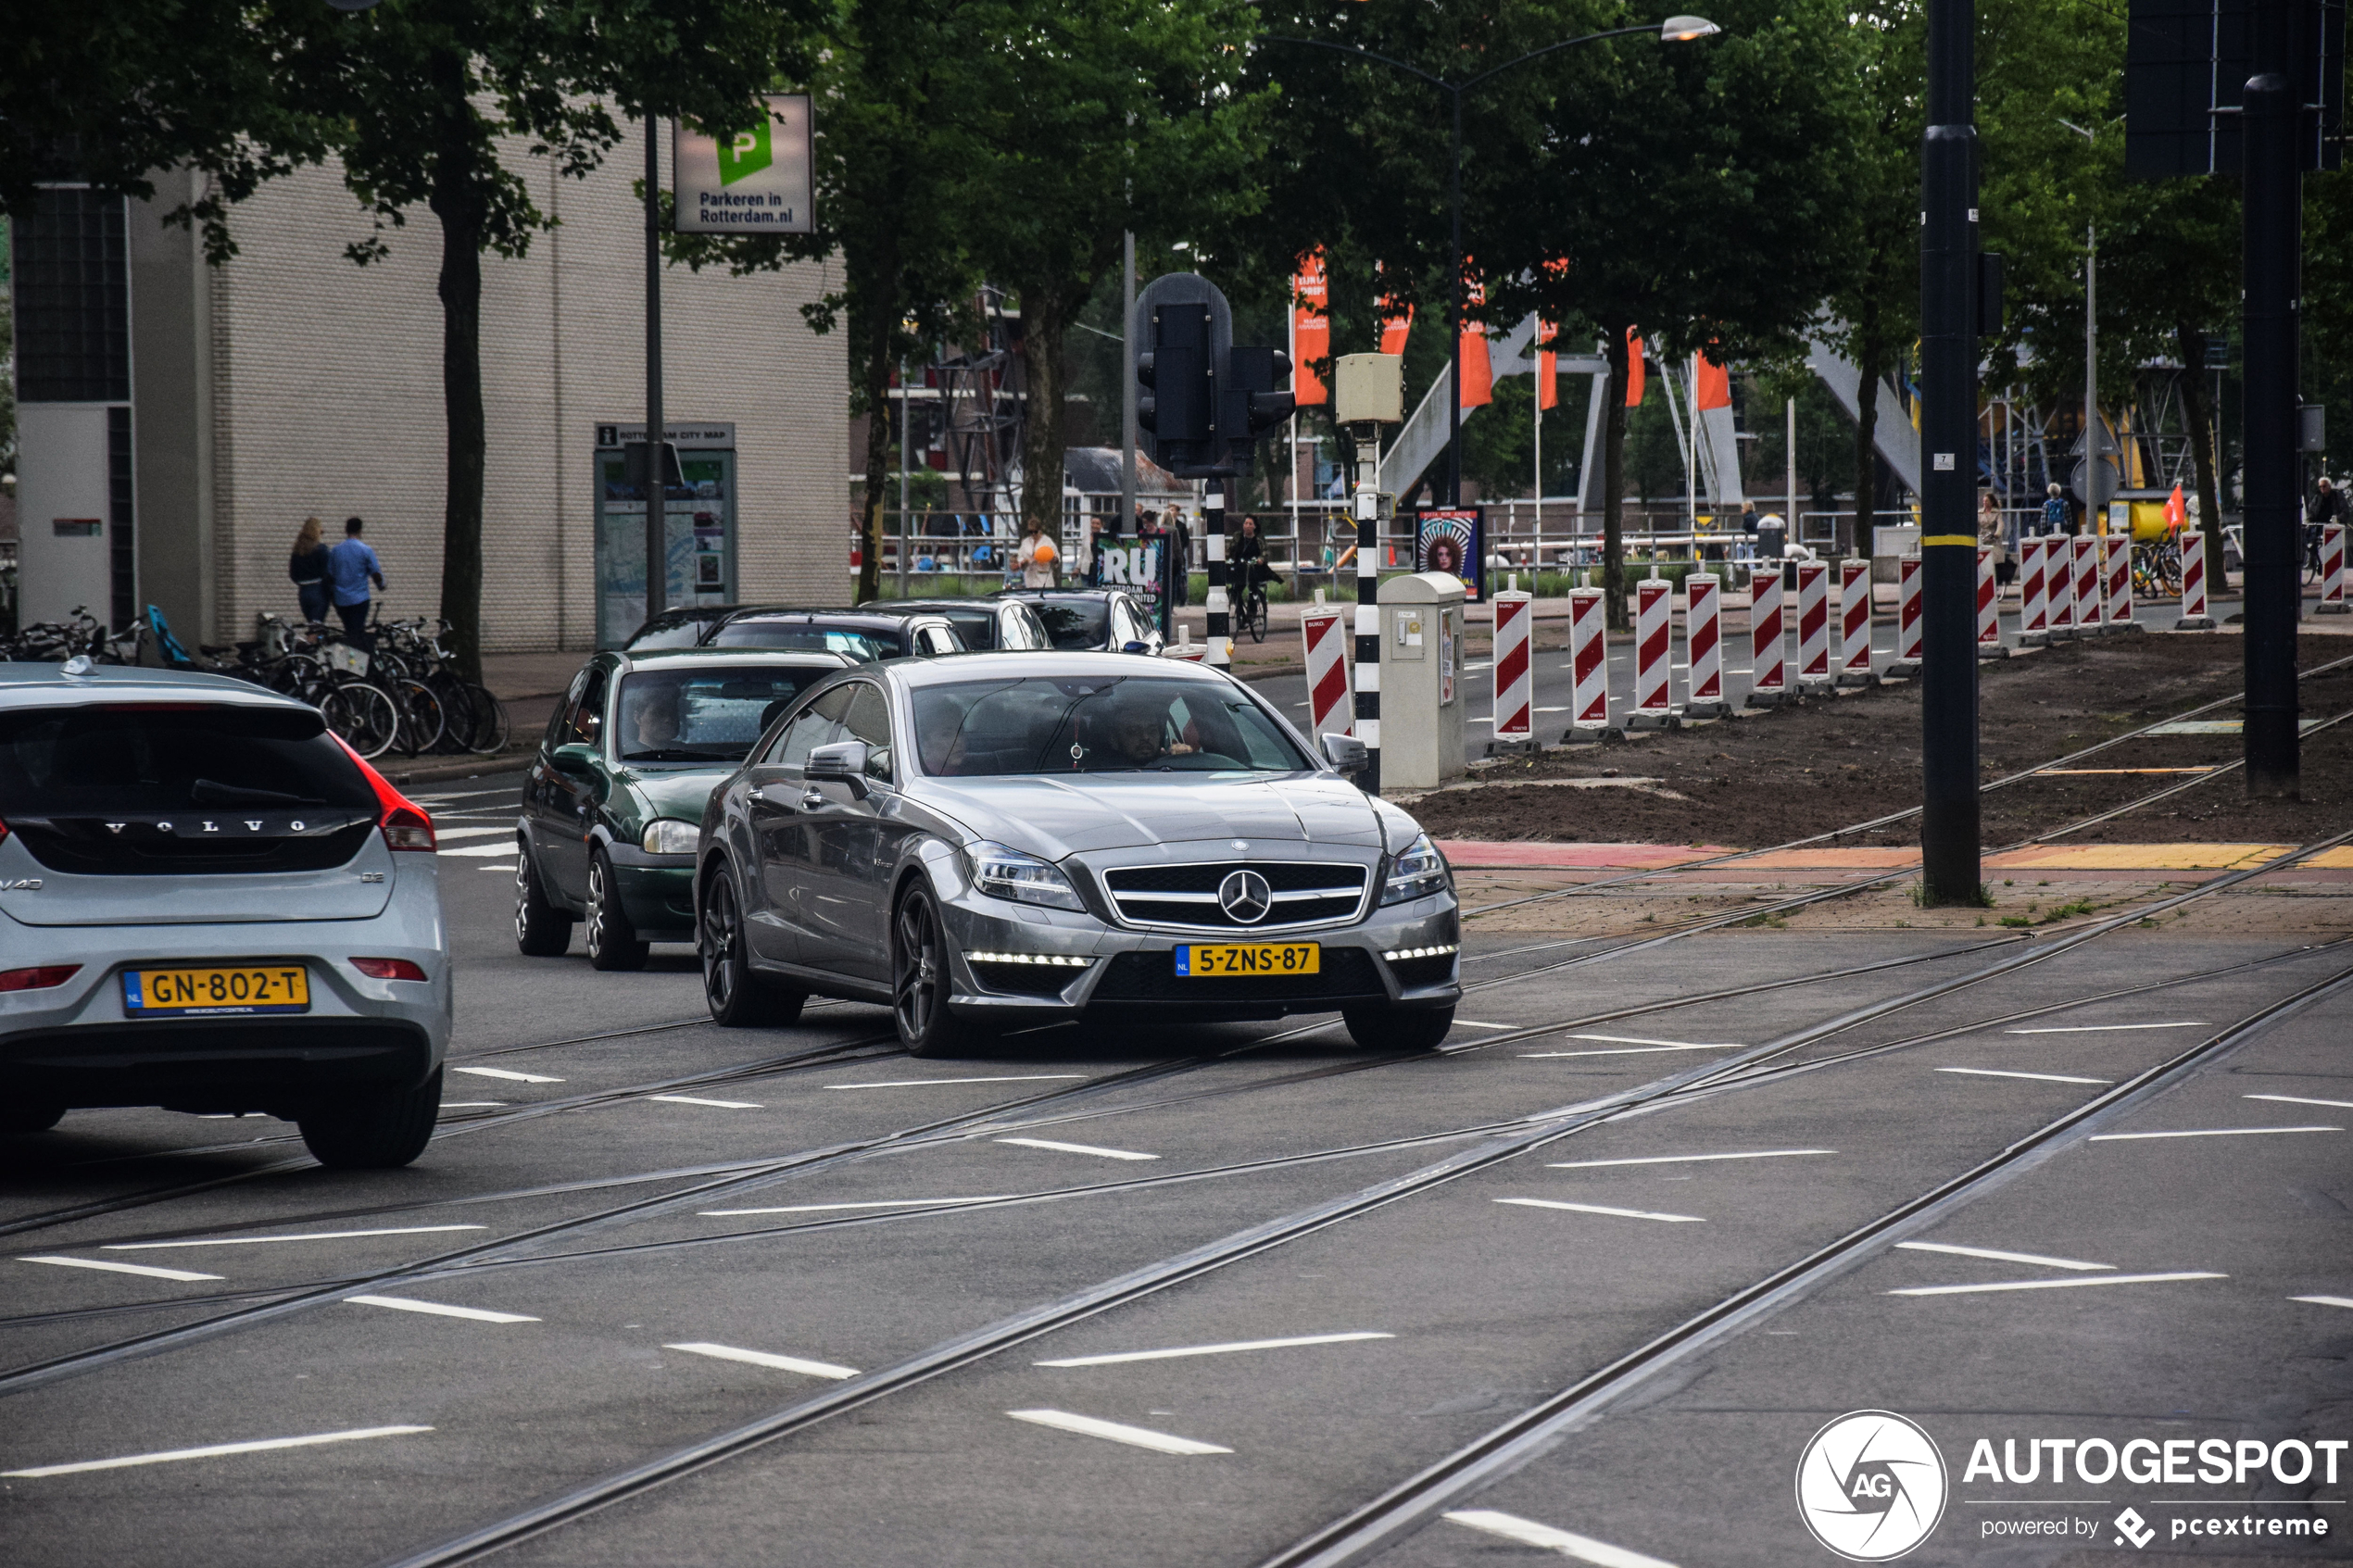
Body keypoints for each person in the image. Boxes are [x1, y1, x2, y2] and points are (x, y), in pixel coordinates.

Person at [327, 515, 386, 640]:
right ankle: (356, 656)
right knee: (357, 632)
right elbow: (375, 572)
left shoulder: (336, 550)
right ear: (360, 530)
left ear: (346, 530)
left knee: (349, 630)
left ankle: (350, 654)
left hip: (341, 600)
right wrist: (381, 585)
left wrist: (333, 594)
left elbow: (330, 575)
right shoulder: (365, 550)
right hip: (359, 599)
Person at [287, 517, 333, 624]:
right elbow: (328, 572)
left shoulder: (298, 551)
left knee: (312, 625)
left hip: (303, 591)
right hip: (318, 590)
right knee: (316, 627)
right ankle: (311, 641)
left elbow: (293, 574)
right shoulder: (321, 549)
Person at [1980, 492, 2014, 585]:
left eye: (1986, 501)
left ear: (1991, 502)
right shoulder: (1979, 513)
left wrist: (1997, 534)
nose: (1985, 503)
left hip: (1993, 540)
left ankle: (1997, 580)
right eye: (1984, 501)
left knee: (1995, 558)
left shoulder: (1997, 513)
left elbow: (2000, 524)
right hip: (1982, 539)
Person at [1015, 519, 1059, 588]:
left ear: (1040, 530)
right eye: (1030, 532)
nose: (1033, 534)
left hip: (1043, 576)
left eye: (1035, 532)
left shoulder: (1047, 541)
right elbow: (1020, 556)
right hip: (1030, 576)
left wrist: (1054, 559)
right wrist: (1022, 562)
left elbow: (1056, 557)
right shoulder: (1026, 542)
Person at [1164, 507, 1192, 608]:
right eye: (1170, 510)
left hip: (1176, 557)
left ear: (1177, 512)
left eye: (1173, 510)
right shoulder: (1168, 527)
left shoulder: (1181, 526)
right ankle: (1172, 603)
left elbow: (1186, 540)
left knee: (1177, 580)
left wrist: (1180, 550)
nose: (1171, 512)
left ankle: (1179, 599)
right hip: (1173, 556)